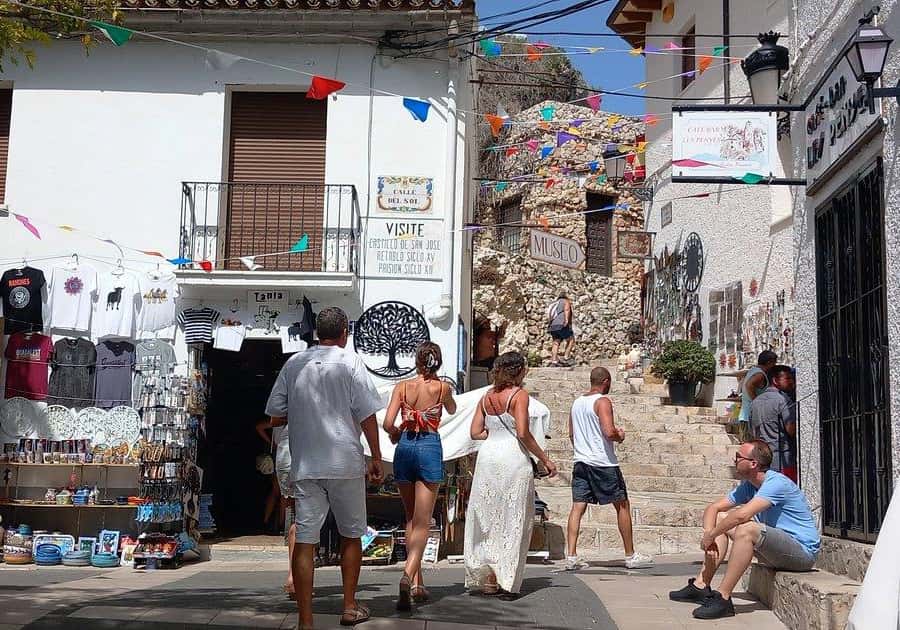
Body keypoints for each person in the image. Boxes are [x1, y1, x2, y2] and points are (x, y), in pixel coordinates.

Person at [266, 307, 385, 630]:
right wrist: (376, 456)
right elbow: (367, 414)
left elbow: (275, 413)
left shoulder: (294, 363)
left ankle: (306, 620)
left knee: (306, 538)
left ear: (317, 333)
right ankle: (349, 606)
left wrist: (304, 411)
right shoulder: (351, 362)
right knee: (351, 534)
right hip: (345, 461)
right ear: (345, 332)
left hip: (306, 463)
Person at [669, 440, 820, 620]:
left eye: (738, 457)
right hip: (775, 550)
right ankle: (700, 585)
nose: (734, 460)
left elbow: (742, 515)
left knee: (746, 528)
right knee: (721, 519)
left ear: (753, 463)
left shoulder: (776, 483)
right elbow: (714, 508)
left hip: (801, 554)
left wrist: (712, 535)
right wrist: (709, 535)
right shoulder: (750, 485)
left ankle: (723, 598)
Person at [465, 351, 558, 596]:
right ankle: (507, 581)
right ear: (518, 371)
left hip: (488, 457)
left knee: (488, 517)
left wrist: (494, 434)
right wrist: (545, 459)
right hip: (512, 458)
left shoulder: (486, 397)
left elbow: (475, 432)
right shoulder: (519, 395)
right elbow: (523, 433)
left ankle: (489, 579)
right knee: (513, 517)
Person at [382, 342, 457, 611]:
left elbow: (387, 423)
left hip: (405, 446)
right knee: (424, 521)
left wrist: (395, 434)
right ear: (438, 362)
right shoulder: (442, 388)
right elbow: (452, 409)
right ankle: (407, 575)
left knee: (410, 517)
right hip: (429, 446)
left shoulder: (402, 387)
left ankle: (417, 582)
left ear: (417, 361)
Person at [564, 367, 654, 571]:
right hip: (603, 462)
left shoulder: (577, 403)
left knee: (578, 507)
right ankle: (630, 555)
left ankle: (571, 556)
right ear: (605, 381)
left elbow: (571, 433)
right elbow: (608, 431)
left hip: (581, 461)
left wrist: (581, 450)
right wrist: (619, 435)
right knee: (622, 505)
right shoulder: (602, 402)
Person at [256, 416, 297, 598]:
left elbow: (260, 426)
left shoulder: (279, 417)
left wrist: (273, 442)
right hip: (297, 458)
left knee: (280, 496)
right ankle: (278, 524)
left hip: (282, 457)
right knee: (300, 515)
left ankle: (274, 524)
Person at [749, 365, 797, 482]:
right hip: (782, 460)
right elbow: (791, 430)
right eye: (787, 378)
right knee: (785, 490)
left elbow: (751, 431)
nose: (792, 382)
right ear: (775, 380)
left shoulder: (755, 402)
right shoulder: (783, 400)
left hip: (762, 458)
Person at [737, 351, 777, 440]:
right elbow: (749, 385)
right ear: (769, 362)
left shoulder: (753, 370)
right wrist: (758, 403)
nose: (774, 366)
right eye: (774, 363)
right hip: (750, 418)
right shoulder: (760, 374)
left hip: (747, 416)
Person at [546, 293, 574, 367]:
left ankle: (554, 360)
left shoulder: (554, 303)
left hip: (552, 325)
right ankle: (566, 357)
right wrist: (566, 320)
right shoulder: (565, 301)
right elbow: (567, 310)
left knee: (556, 342)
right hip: (561, 324)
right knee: (571, 340)